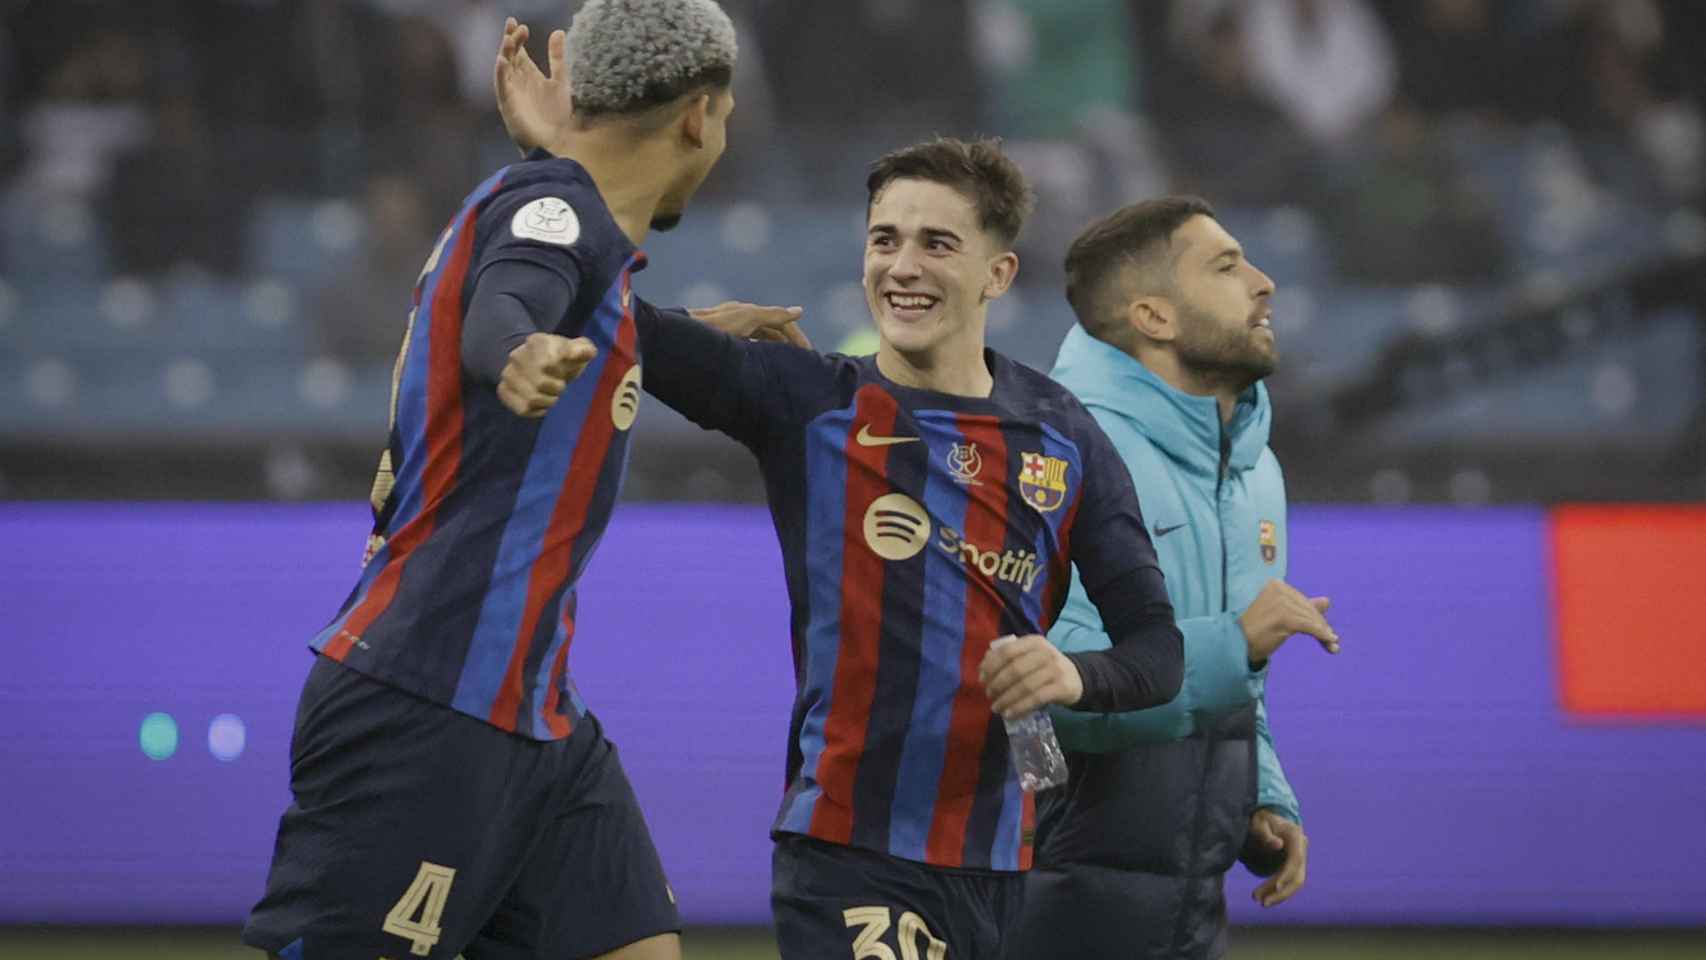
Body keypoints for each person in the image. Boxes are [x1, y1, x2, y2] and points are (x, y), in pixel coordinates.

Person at [493, 38, 1186, 959]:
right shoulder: (811, 401)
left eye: (938, 243)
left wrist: (1074, 676)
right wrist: (559, 167)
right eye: (883, 239)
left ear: (998, 274)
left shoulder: (1066, 433)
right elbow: (608, 312)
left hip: (1010, 861)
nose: (903, 265)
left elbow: (1157, 650)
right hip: (853, 850)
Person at [241, 3, 802, 958]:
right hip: (426, 697)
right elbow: (509, 301)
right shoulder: (558, 215)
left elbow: (564, 285)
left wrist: (679, 331)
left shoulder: (574, 225)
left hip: (537, 713)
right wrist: (514, 350)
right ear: (700, 116)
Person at [1006, 197, 1341, 959]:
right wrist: (1235, 645)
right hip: (1051, 905)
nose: (1264, 284)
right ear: (1153, 317)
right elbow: (1045, 699)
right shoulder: (1063, 451)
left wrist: (1260, 795)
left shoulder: (1255, 467)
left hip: (1187, 910)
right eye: (1226, 266)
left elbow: (1239, 692)